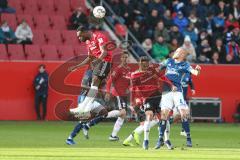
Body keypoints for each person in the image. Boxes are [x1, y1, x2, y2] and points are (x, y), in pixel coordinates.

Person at [155, 47, 201, 149]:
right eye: (176, 51)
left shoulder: (185, 65)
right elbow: (158, 68)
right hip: (166, 92)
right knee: (164, 115)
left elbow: (195, 73)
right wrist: (157, 69)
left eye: (178, 51)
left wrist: (198, 69)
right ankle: (160, 139)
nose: (175, 52)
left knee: (184, 113)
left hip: (177, 92)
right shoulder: (168, 61)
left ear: (182, 55)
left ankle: (188, 138)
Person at [128, 56, 174, 150]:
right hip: (147, 98)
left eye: (147, 63)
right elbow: (133, 90)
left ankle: (166, 140)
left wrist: (171, 84)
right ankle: (146, 141)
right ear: (139, 63)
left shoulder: (152, 70)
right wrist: (133, 102)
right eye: (143, 63)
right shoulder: (134, 75)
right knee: (149, 116)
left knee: (165, 118)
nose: (146, 65)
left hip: (158, 96)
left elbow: (162, 77)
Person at [69, 26, 112, 118]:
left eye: (80, 36)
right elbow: (90, 57)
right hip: (98, 63)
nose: (80, 38)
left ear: (85, 32)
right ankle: (85, 107)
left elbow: (104, 52)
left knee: (95, 81)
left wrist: (97, 61)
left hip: (105, 61)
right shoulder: (88, 42)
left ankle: (84, 107)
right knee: (94, 84)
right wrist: (77, 66)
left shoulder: (99, 37)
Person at [105, 52, 131, 141]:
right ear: (121, 59)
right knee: (123, 113)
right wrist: (108, 92)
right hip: (118, 93)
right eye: (123, 57)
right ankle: (102, 116)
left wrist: (129, 87)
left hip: (123, 94)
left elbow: (128, 82)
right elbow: (109, 81)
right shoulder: (118, 69)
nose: (125, 59)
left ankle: (113, 136)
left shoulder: (128, 69)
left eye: (126, 57)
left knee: (122, 115)